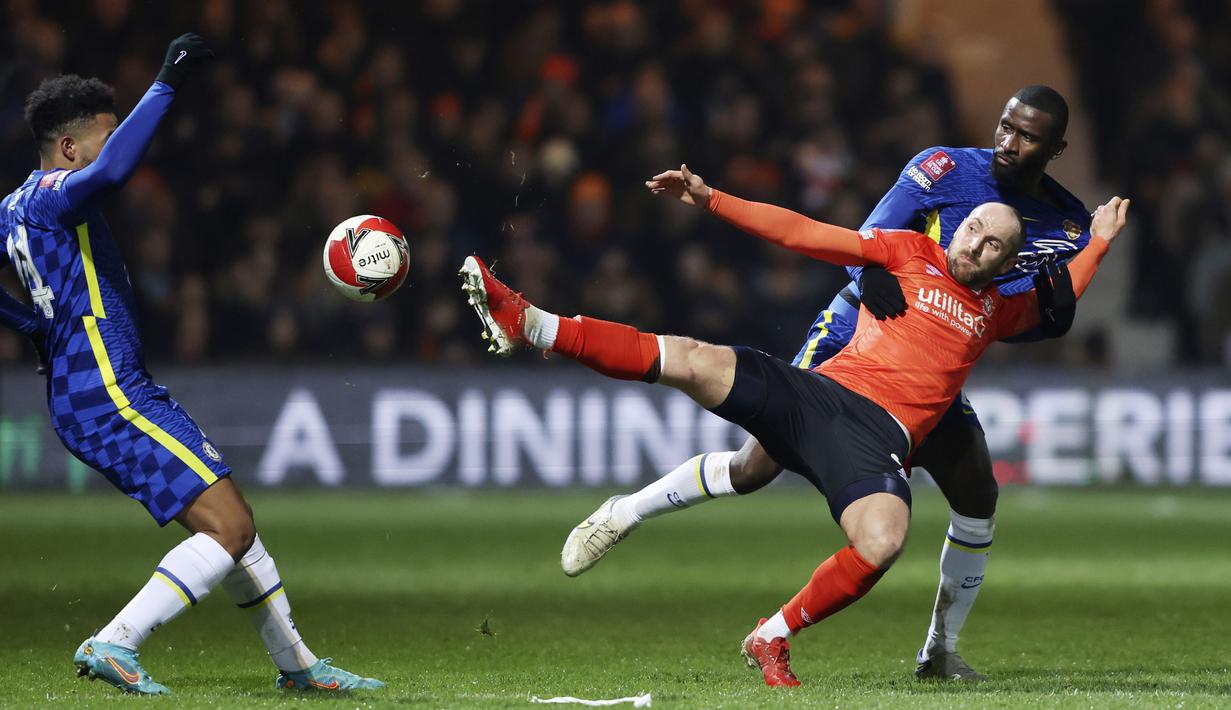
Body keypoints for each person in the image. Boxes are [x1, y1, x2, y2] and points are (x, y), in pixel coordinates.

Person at [459, 170, 1128, 686]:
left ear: (1004, 262)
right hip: (815, 394)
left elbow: (1059, 292)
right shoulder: (903, 252)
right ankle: (531, 321)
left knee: (884, 538)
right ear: (954, 225)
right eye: (973, 229)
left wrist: (1097, 240)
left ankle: (770, 635)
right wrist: (709, 197)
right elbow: (802, 232)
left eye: (994, 246)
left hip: (873, 440)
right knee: (690, 360)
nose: (978, 246)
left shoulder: (994, 313)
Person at [560, 85, 1092, 681]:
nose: (1008, 143)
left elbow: (1013, 314)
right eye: (1005, 126)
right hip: (853, 329)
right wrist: (874, 278)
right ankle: (626, 511)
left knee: (977, 496)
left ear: (1056, 149)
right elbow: (861, 242)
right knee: (755, 467)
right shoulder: (943, 167)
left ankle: (940, 649)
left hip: (929, 363)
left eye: (1026, 137)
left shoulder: (1068, 225)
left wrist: (984, 319)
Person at [0, 35, 382, 696]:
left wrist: (36, 328)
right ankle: (115, 641)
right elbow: (112, 173)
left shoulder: (11, 208)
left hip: (91, 388)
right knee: (230, 526)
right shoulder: (57, 195)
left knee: (231, 522)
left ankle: (298, 667)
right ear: (68, 149)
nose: (115, 149)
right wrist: (166, 81)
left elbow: (32, 297)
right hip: (108, 392)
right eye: (104, 136)